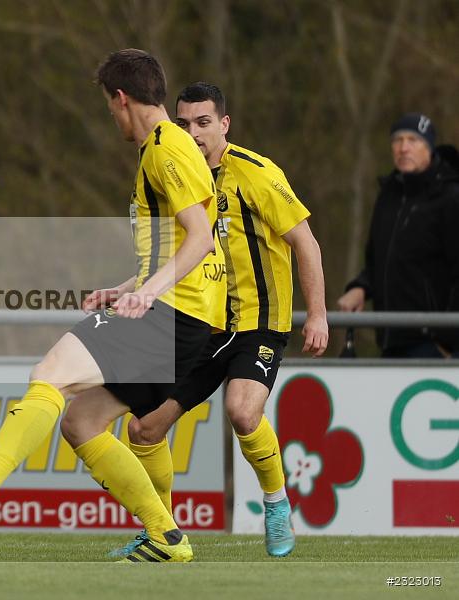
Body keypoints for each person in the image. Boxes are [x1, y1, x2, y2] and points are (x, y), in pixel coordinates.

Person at [0, 49, 226, 563]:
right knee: (81, 423)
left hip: (171, 315)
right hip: (183, 319)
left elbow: (200, 239)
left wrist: (147, 294)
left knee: (50, 371)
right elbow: (177, 245)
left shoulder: (167, 149)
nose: (112, 116)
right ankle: (167, 537)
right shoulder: (168, 149)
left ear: (122, 99)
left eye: (109, 106)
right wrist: (129, 286)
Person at [87, 82, 327, 560]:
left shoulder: (256, 173)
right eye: (183, 123)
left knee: (242, 411)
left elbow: (306, 242)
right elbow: (172, 256)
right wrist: (124, 289)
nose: (193, 133)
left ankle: (276, 504)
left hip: (257, 323)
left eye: (203, 122)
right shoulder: (177, 173)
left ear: (224, 124)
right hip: (201, 325)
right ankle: (164, 533)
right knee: (144, 431)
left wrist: (317, 314)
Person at [338, 113, 459, 357]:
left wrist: (446, 340)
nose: (404, 148)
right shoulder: (388, 196)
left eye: (413, 140)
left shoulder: (451, 197)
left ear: (429, 148)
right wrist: (361, 287)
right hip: (390, 340)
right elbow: (377, 259)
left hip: (436, 345)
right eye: (398, 140)